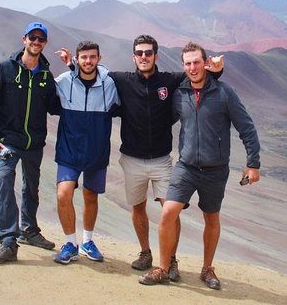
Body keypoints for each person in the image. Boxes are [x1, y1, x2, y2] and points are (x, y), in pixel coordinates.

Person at [56, 35, 223, 280]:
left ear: (156, 55)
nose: (143, 57)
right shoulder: (122, 80)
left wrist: (217, 72)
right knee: (138, 208)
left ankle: (171, 261)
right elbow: (91, 74)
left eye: (148, 52)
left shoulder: (170, 80)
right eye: (139, 53)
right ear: (134, 56)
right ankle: (145, 253)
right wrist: (73, 66)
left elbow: (198, 77)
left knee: (170, 210)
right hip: (132, 158)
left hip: (161, 159)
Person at [138, 41, 261, 290]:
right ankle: (163, 267)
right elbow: (163, 118)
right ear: (183, 66)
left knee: (211, 218)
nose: (192, 67)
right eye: (188, 63)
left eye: (196, 62)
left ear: (205, 63)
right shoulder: (180, 93)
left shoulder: (225, 93)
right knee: (168, 212)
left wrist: (253, 164)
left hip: (216, 169)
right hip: (186, 167)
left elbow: (246, 127)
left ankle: (207, 269)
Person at [0, 21, 61, 264]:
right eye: (32, 38)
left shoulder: (46, 75)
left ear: (45, 43)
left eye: (41, 39)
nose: (36, 42)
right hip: (7, 142)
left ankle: (29, 230)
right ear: (24, 39)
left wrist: (74, 76)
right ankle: (8, 241)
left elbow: (55, 108)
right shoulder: (5, 68)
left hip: (34, 143)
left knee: (31, 187)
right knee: (4, 181)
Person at [52, 41, 121, 264]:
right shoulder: (63, 81)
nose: (88, 61)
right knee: (64, 194)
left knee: (91, 197)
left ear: (99, 58)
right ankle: (70, 243)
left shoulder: (110, 85)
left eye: (92, 57)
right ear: (77, 59)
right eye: (83, 57)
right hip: (69, 150)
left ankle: (87, 241)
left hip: (96, 152)